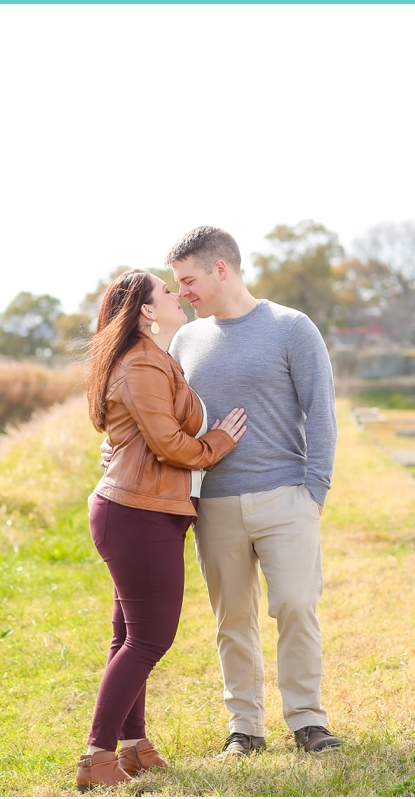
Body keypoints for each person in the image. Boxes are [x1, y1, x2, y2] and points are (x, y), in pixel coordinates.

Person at [103, 226, 341, 756]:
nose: (181, 291)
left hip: (286, 495)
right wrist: (119, 447)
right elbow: (156, 411)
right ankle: (245, 729)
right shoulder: (185, 340)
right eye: (174, 284)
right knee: (232, 618)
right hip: (211, 503)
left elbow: (321, 413)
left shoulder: (292, 328)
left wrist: (314, 491)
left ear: (221, 270)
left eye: (187, 280)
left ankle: (308, 721)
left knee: (297, 606)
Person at [77, 268, 248, 790]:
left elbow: (138, 435)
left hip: (143, 508)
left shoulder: (155, 359)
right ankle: (96, 756)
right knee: (150, 638)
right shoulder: (143, 364)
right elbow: (168, 443)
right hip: (137, 512)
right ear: (148, 310)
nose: (177, 295)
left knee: (129, 635)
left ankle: (132, 746)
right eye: (168, 291)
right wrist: (218, 441)